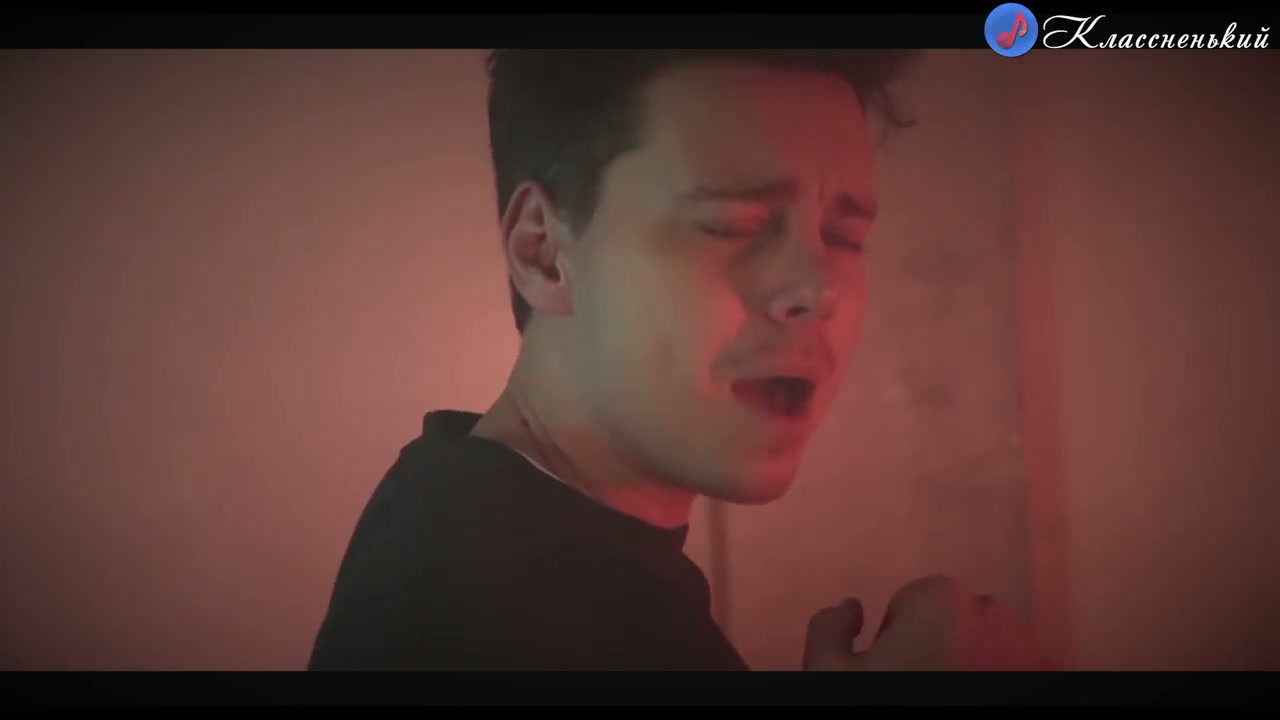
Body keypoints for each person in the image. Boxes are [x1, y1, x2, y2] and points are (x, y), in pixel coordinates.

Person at [307, 49, 1055, 671]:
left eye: (845, 237)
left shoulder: (475, 510)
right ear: (544, 251)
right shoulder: (478, 613)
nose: (818, 289)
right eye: (733, 224)